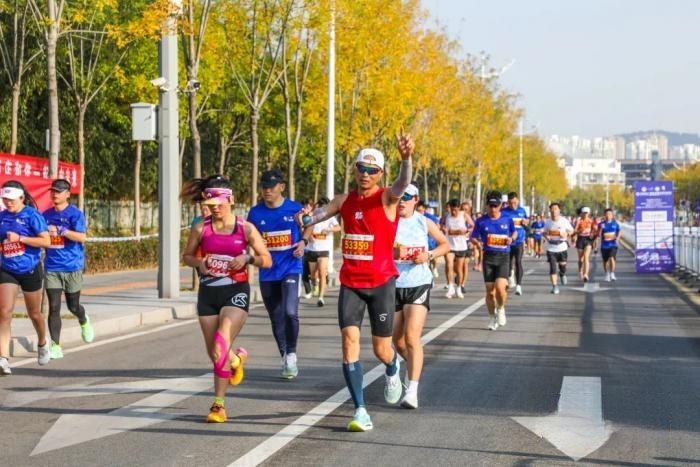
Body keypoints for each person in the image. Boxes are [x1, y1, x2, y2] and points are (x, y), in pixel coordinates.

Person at [298, 130, 414, 431]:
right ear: (355, 169)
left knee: (381, 349)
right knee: (349, 343)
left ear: (380, 174)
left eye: (372, 170)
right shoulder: (345, 200)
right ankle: (360, 409)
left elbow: (402, 183)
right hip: (351, 283)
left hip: (381, 285)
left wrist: (406, 159)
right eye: (361, 168)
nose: (365, 174)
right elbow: (323, 213)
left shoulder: (387, 198)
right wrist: (309, 218)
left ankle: (392, 366)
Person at [181, 175, 271, 423]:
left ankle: (218, 406)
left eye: (220, 202)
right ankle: (236, 359)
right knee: (215, 352)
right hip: (208, 292)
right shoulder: (201, 228)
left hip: (236, 291)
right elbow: (186, 256)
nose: (215, 207)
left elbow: (267, 259)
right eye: (210, 203)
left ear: (231, 200)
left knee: (221, 340)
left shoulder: (246, 228)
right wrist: (200, 263)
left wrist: (248, 259)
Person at [392, 183, 449, 408]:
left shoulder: (424, 222)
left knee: (411, 337)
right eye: (399, 196)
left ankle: (412, 390)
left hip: (418, 283)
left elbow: (445, 244)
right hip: (393, 284)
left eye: (407, 197)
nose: (402, 200)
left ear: (416, 200)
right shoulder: (389, 221)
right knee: (396, 341)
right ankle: (410, 369)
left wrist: (429, 254)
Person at [247, 169, 305, 379]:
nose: (267, 191)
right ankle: (284, 355)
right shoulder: (255, 213)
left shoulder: (295, 208)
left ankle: (291, 354)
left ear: (281, 187)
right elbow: (249, 237)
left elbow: (307, 226)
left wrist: (303, 241)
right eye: (264, 187)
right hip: (267, 272)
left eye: (271, 187)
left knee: (290, 312)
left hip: (291, 267)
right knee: (276, 317)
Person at [0, 181, 51, 375]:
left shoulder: (32, 215)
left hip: (30, 269)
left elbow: (46, 241)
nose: (8, 203)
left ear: (22, 198)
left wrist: (20, 239)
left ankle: (42, 341)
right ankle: (3, 359)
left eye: (11, 199)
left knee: (34, 313)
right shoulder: (2, 217)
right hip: (7, 269)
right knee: (4, 312)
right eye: (5, 199)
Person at [42, 179, 93, 359]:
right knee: (54, 307)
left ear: (67, 194)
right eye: (53, 191)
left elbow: (82, 237)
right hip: (52, 267)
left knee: (73, 306)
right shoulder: (45, 215)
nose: (54, 194)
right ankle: (55, 345)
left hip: (72, 266)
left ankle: (84, 319)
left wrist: (63, 231)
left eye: (59, 191)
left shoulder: (75, 215)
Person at [470, 190, 516, 331]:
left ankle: (501, 308)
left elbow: (514, 232)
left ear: (501, 205)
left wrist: (511, 239)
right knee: (490, 291)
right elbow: (473, 237)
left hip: (503, 257)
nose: (493, 209)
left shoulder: (507, 219)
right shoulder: (481, 221)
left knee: (500, 288)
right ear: (487, 206)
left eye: (496, 206)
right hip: (488, 257)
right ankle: (492, 317)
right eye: (491, 206)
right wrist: (478, 243)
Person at [306, 197, 341, 306]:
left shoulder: (330, 218)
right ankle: (314, 284)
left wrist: (329, 229)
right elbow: (305, 226)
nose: (321, 208)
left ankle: (321, 298)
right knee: (312, 275)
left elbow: (338, 227)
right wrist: (309, 235)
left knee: (322, 273)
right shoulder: (313, 215)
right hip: (312, 249)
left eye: (323, 206)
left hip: (324, 250)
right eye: (319, 205)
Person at [543, 202, 574, 294]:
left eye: (555, 208)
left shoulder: (564, 221)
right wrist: (546, 236)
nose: (554, 211)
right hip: (551, 248)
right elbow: (544, 232)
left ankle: (563, 273)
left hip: (562, 247)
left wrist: (567, 234)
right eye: (552, 209)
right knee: (552, 268)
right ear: (550, 210)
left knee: (562, 265)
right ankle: (555, 286)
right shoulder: (548, 222)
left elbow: (572, 230)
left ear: (559, 210)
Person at [501, 192, 528, 295]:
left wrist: (526, 222)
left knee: (518, 261)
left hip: (519, 240)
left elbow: (526, 220)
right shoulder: (503, 212)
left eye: (515, 202)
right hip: (508, 241)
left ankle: (519, 286)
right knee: (507, 262)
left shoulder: (522, 210)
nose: (513, 205)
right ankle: (510, 274)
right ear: (508, 202)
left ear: (518, 201)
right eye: (511, 203)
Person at [442, 199, 470, 299]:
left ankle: (458, 288)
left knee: (459, 269)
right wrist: (444, 229)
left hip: (461, 246)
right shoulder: (447, 216)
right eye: (452, 210)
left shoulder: (464, 215)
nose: (454, 212)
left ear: (459, 208)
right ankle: (450, 287)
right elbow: (442, 227)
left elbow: (473, 225)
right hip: (449, 245)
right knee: (449, 264)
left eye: (456, 210)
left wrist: (467, 231)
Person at [416, 200, 440, 279]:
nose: (418, 211)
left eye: (420, 210)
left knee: (433, 258)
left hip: (430, 240)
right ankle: (427, 273)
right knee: (424, 258)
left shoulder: (429, 217)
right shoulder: (414, 216)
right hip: (420, 242)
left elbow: (437, 226)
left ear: (424, 209)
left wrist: (432, 232)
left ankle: (435, 268)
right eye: (417, 210)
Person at [599, 208, 621, 282]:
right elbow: (599, 234)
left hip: (613, 244)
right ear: (604, 215)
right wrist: (601, 229)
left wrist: (617, 238)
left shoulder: (615, 224)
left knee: (612, 257)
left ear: (612, 215)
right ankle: (607, 274)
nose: (608, 215)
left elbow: (619, 231)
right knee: (605, 261)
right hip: (604, 245)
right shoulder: (602, 224)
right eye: (607, 214)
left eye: (610, 214)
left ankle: (612, 273)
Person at [573, 206, 594, 282]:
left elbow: (594, 231)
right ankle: (580, 271)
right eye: (584, 213)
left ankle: (586, 274)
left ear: (589, 213)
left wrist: (593, 234)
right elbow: (574, 231)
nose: (585, 214)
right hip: (580, 240)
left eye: (586, 213)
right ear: (581, 213)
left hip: (588, 240)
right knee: (580, 259)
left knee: (586, 257)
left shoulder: (591, 221)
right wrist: (579, 231)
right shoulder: (578, 221)